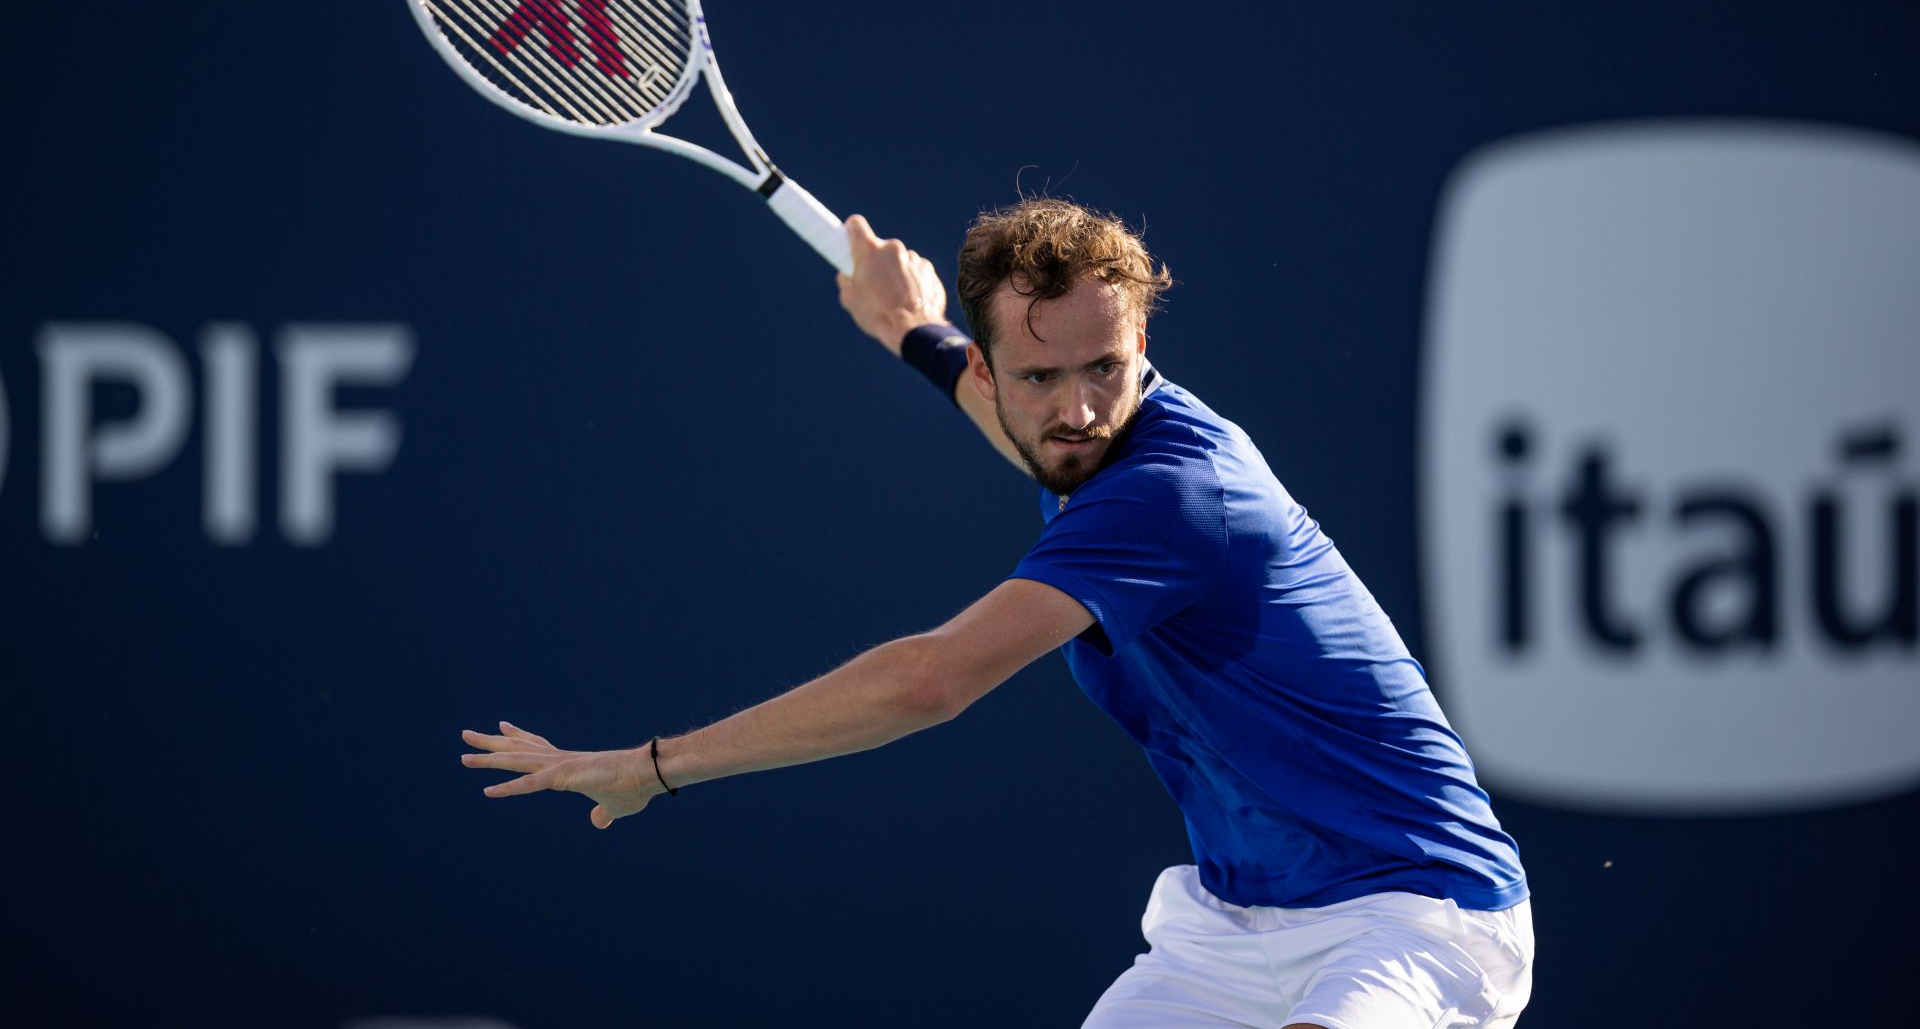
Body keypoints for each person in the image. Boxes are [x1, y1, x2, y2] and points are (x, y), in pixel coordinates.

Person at [460, 197, 1533, 1028]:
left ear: (1143, 341)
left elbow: (929, 680)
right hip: (1232, 926)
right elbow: (1004, 409)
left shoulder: (1173, 492)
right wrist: (905, 323)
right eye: (1042, 374)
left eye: (1107, 367)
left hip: (1414, 913)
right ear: (993, 366)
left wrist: (653, 766)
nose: (1076, 408)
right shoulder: (1073, 435)